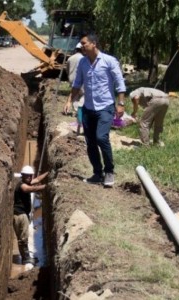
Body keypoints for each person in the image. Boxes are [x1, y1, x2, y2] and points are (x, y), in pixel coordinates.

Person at [63, 34, 126, 187]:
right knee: (90, 141)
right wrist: (69, 100)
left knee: (101, 138)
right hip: (88, 108)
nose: (82, 46)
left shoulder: (109, 61)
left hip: (105, 106)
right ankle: (97, 173)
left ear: (94, 44)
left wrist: (121, 103)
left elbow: (119, 82)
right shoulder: (83, 62)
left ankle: (109, 171)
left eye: (84, 43)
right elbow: (77, 83)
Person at [13, 165, 48, 265]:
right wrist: (45, 186)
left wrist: (48, 172)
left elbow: (37, 179)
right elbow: (29, 189)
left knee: (24, 236)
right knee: (23, 237)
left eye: (30, 176)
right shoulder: (22, 185)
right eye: (27, 176)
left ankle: (26, 257)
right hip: (20, 215)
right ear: (22, 176)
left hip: (22, 214)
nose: (29, 177)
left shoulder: (26, 182)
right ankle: (25, 258)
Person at [66, 42, 85, 135]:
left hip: (72, 79)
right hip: (81, 81)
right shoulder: (83, 59)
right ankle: (79, 116)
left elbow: (67, 69)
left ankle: (77, 114)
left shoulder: (70, 58)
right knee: (81, 97)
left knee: (75, 97)